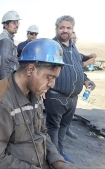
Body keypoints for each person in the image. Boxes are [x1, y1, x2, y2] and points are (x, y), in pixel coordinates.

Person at [0, 38, 76, 169]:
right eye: (49, 77)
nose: (52, 85)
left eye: (55, 78)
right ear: (30, 70)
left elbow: (42, 133)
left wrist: (57, 160)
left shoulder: (35, 92)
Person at [44, 15, 96, 163]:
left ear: (72, 30)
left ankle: (59, 152)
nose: (65, 31)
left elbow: (77, 67)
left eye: (68, 28)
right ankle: (53, 158)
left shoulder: (73, 47)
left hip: (72, 97)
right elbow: (43, 69)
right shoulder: (52, 46)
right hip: (56, 95)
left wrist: (86, 80)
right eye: (62, 28)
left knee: (64, 126)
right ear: (56, 29)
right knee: (53, 126)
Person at [66, 31, 97, 139]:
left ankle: (66, 129)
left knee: (70, 113)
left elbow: (80, 69)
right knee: (56, 120)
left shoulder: (75, 52)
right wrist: (86, 63)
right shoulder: (64, 51)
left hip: (73, 91)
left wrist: (86, 80)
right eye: (72, 37)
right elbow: (70, 68)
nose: (73, 39)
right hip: (62, 91)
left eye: (75, 38)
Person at [0, 10, 21, 83]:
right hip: (5, 82)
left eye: (17, 22)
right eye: (14, 23)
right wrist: (6, 84)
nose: (17, 25)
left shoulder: (7, 39)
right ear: (6, 25)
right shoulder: (5, 40)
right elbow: (3, 64)